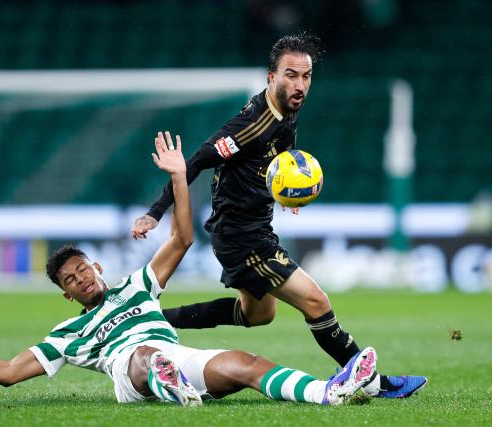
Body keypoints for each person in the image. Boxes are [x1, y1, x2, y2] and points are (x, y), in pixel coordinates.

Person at [0, 131, 378, 407]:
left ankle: (330, 392)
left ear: (97, 266)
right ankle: (167, 381)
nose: (81, 278)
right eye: (71, 280)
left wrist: (178, 178)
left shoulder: (138, 287)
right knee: (145, 358)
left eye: (82, 269)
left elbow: (183, 238)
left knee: (244, 363)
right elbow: (7, 372)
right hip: (134, 375)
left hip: (177, 359)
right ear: (67, 295)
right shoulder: (71, 331)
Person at [131, 33, 426, 399]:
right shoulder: (250, 125)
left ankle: (150, 319)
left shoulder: (288, 110)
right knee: (316, 301)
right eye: (290, 75)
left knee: (257, 314)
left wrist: (284, 188)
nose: (300, 85)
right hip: (241, 236)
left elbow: (277, 152)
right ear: (271, 77)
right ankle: (373, 382)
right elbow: (196, 162)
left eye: (306, 76)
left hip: (254, 227)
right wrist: (155, 212)